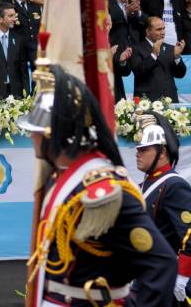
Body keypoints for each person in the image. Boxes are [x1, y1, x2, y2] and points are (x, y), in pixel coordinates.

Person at [18, 61, 177, 306]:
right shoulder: (62, 178)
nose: (31, 135)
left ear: (56, 133)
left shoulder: (106, 191)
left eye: (37, 129)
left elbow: (161, 263)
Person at [134, 111, 191, 305]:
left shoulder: (174, 185)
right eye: (138, 149)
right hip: (145, 279)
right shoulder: (144, 185)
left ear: (162, 152)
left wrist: (181, 276)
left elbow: (190, 235)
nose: (137, 153)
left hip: (164, 282)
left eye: (144, 149)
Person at [131, 16, 186, 102]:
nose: (163, 32)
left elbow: (180, 74)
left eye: (164, 28)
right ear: (148, 31)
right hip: (147, 101)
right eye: (159, 29)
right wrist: (153, 55)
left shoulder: (170, 48)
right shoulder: (136, 49)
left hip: (170, 100)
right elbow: (138, 72)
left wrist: (177, 57)